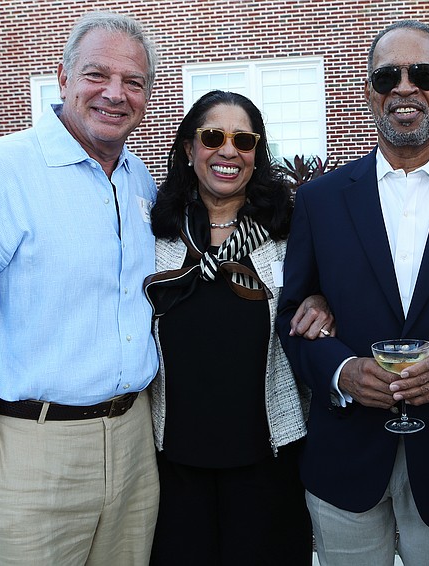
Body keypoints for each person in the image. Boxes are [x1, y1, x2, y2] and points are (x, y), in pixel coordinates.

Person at [276, 20, 429, 566]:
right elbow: (293, 311)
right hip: (345, 449)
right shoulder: (320, 201)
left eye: (422, 74)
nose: (404, 87)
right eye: (388, 75)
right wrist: (341, 371)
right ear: (369, 89)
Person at [0, 11, 161, 565]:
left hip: (133, 448)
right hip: (26, 451)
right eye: (97, 74)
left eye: (134, 82)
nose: (115, 94)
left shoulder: (138, 181)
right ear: (63, 78)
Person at [143, 90, 333, 565]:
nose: (228, 150)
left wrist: (321, 300)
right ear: (189, 149)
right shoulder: (155, 238)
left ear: (256, 154)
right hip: (173, 464)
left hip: (267, 462)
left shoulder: (288, 238)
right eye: (213, 136)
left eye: (243, 140)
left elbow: (327, 295)